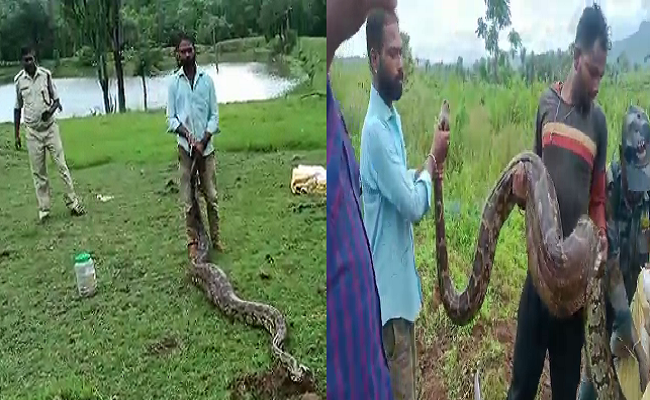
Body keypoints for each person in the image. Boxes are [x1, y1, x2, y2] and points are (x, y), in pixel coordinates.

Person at [508, 4, 610, 399]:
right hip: (538, 277)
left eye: (602, 73)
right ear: (575, 56)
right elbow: (531, 179)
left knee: (566, 391)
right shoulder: (546, 106)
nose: (598, 83)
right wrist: (519, 193)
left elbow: (597, 198)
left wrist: (599, 232)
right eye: (592, 71)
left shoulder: (597, 122)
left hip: (573, 295)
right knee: (521, 389)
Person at [359, 8, 448, 400]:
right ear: (375, 58)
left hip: (399, 299)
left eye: (403, 53)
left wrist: (419, 174)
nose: (402, 63)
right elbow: (412, 207)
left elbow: (396, 185)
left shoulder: (389, 118)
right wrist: (431, 161)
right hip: (391, 305)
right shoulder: (377, 130)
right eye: (394, 54)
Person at [578, 106, 650, 399]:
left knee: (628, 365)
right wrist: (624, 319)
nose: (639, 187)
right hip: (605, 293)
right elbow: (609, 263)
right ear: (621, 155)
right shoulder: (605, 190)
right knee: (594, 366)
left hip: (634, 291)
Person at [166, 33, 222, 260]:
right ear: (177, 55)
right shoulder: (173, 83)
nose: (187, 54)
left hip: (206, 150)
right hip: (186, 151)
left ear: (195, 51)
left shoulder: (207, 81)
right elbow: (171, 119)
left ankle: (216, 239)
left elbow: (214, 116)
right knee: (189, 199)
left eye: (190, 50)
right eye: (183, 51)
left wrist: (203, 140)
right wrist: (189, 138)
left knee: (211, 196)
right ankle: (193, 241)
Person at [14, 45, 85, 222]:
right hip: (32, 132)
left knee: (61, 166)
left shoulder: (45, 75)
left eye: (31, 59)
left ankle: (73, 202)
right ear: (21, 61)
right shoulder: (19, 81)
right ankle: (44, 209)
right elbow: (17, 108)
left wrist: (50, 111)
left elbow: (57, 101)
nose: (28, 62)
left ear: (35, 58)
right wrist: (16, 134)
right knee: (38, 172)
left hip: (50, 129)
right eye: (25, 60)